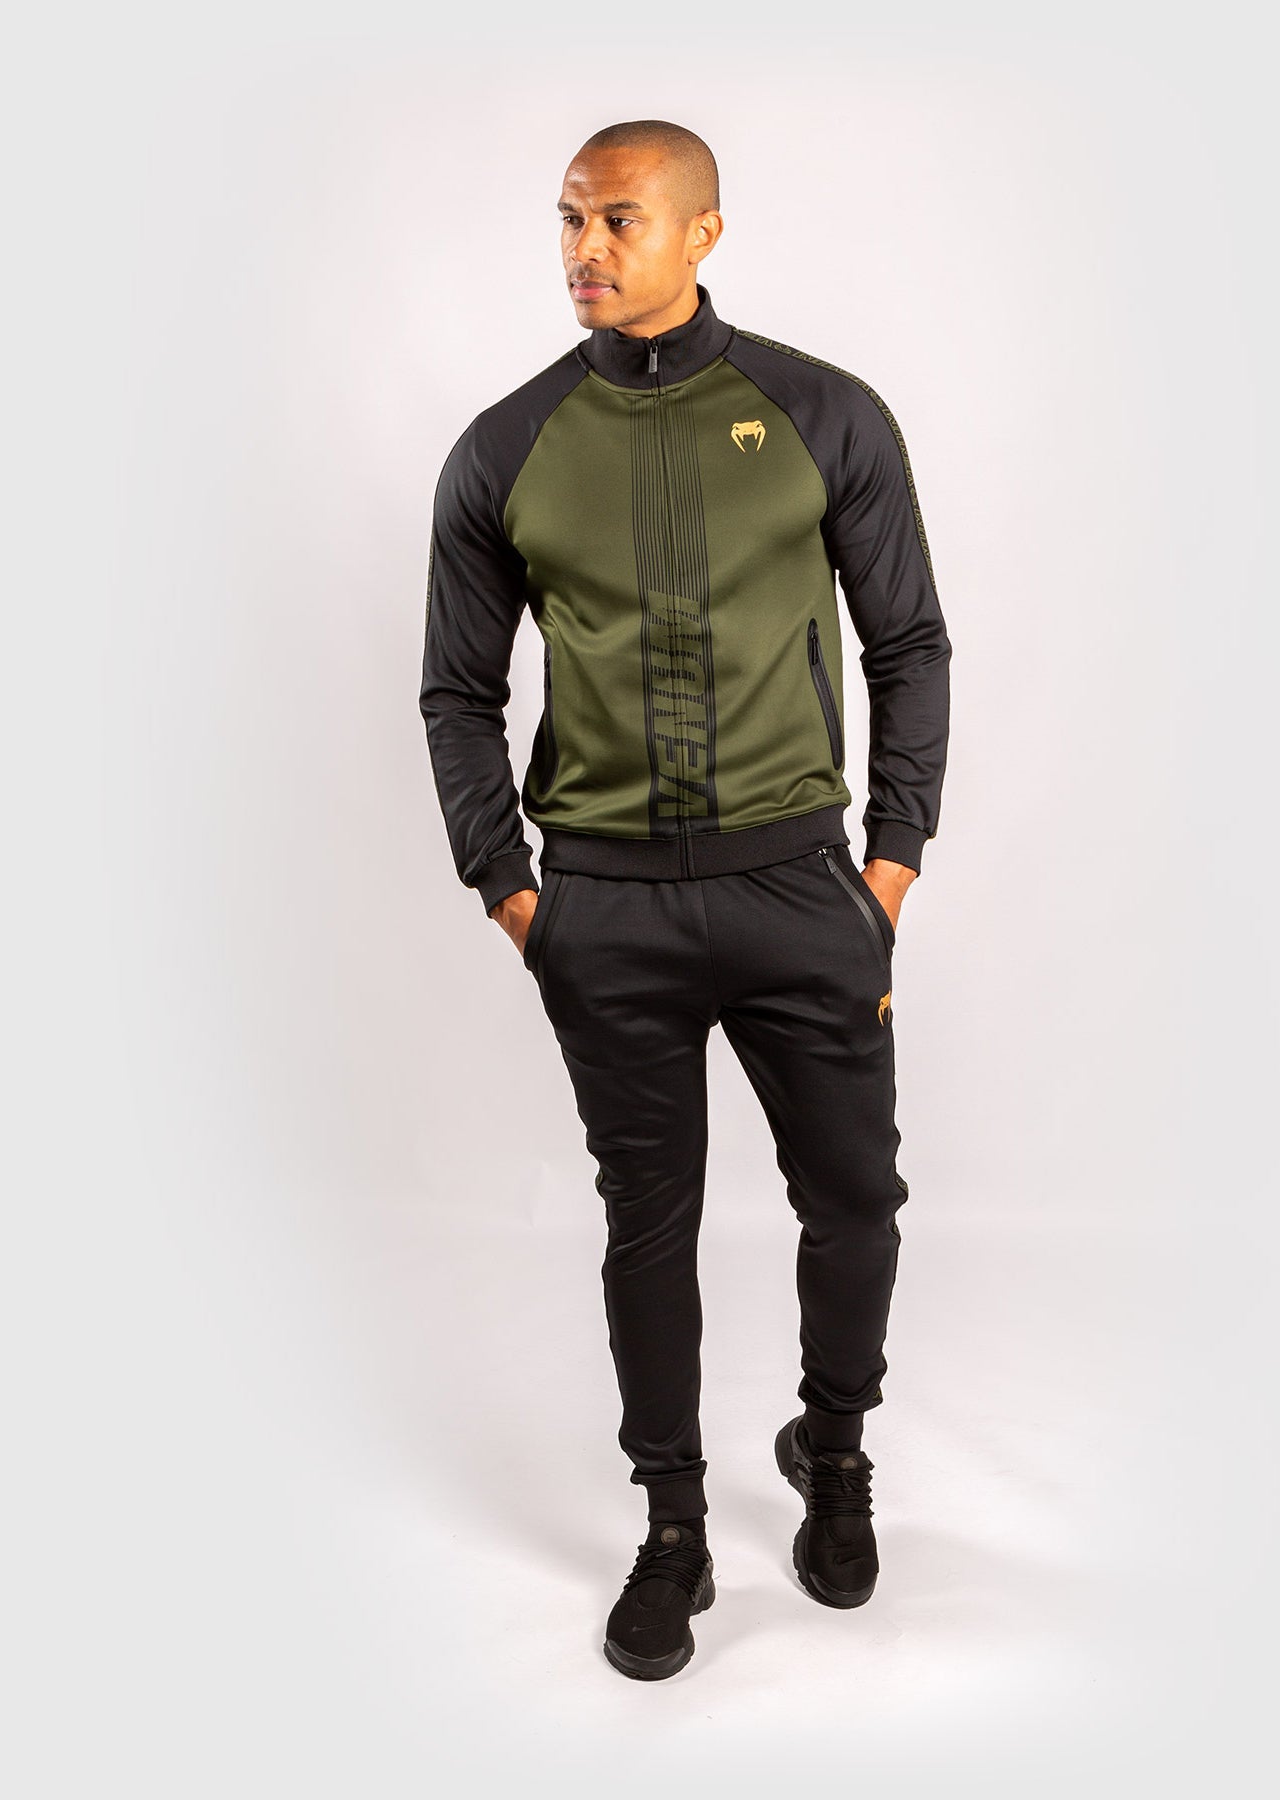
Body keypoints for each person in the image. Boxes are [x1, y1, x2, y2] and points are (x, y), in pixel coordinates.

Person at [419, 118, 953, 1681]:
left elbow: (908, 643)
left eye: (620, 221)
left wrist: (889, 869)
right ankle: (675, 1530)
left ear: (704, 233)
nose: (585, 250)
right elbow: (457, 693)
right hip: (607, 911)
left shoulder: (823, 414)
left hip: (802, 889)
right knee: (647, 1227)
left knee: (856, 1201)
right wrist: (514, 892)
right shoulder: (506, 448)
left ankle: (834, 1453)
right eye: (569, 220)